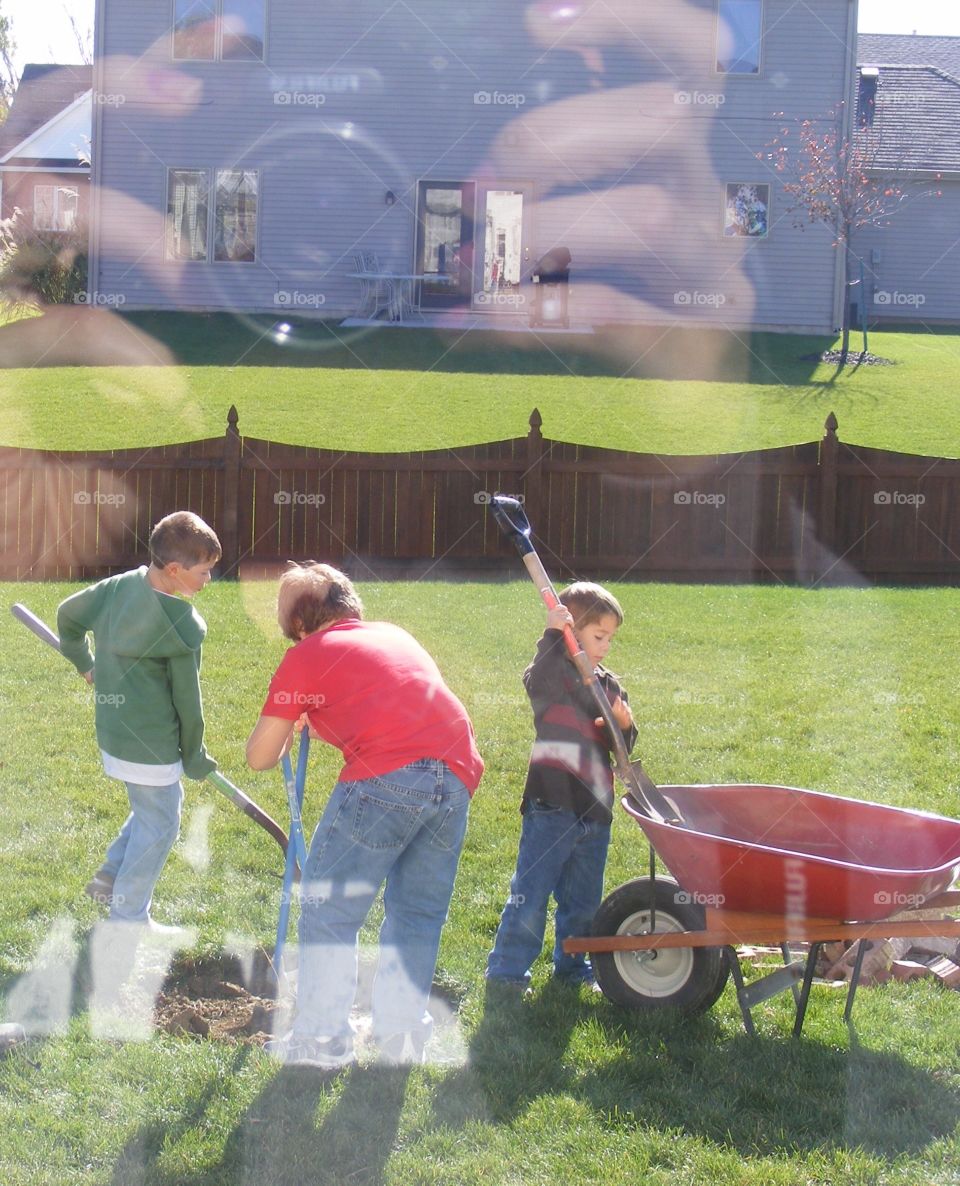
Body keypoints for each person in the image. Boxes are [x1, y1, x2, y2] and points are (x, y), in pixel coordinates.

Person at [246, 562, 483, 1070]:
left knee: (330, 906)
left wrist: (289, 719)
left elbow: (260, 756)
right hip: (457, 771)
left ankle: (322, 1041)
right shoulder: (394, 634)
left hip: (387, 776)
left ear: (300, 627)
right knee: (417, 912)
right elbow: (387, 700)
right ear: (350, 607)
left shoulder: (306, 655)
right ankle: (400, 1037)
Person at [57, 511, 221, 931]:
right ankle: (128, 917)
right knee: (160, 826)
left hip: (115, 734)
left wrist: (84, 662)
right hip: (153, 743)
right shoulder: (184, 627)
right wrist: (195, 755)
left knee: (151, 810)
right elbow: (188, 703)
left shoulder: (116, 588)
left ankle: (108, 878)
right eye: (203, 572)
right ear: (173, 569)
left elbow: (68, 617)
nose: (207, 581)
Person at [486, 582, 636, 992]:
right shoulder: (554, 672)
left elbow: (622, 750)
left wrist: (623, 725)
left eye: (610, 638)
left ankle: (572, 968)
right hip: (552, 804)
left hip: (595, 808)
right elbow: (539, 683)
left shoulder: (608, 685)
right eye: (597, 636)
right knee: (530, 894)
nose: (605, 646)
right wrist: (552, 635)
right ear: (573, 632)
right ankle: (507, 973)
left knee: (583, 901)